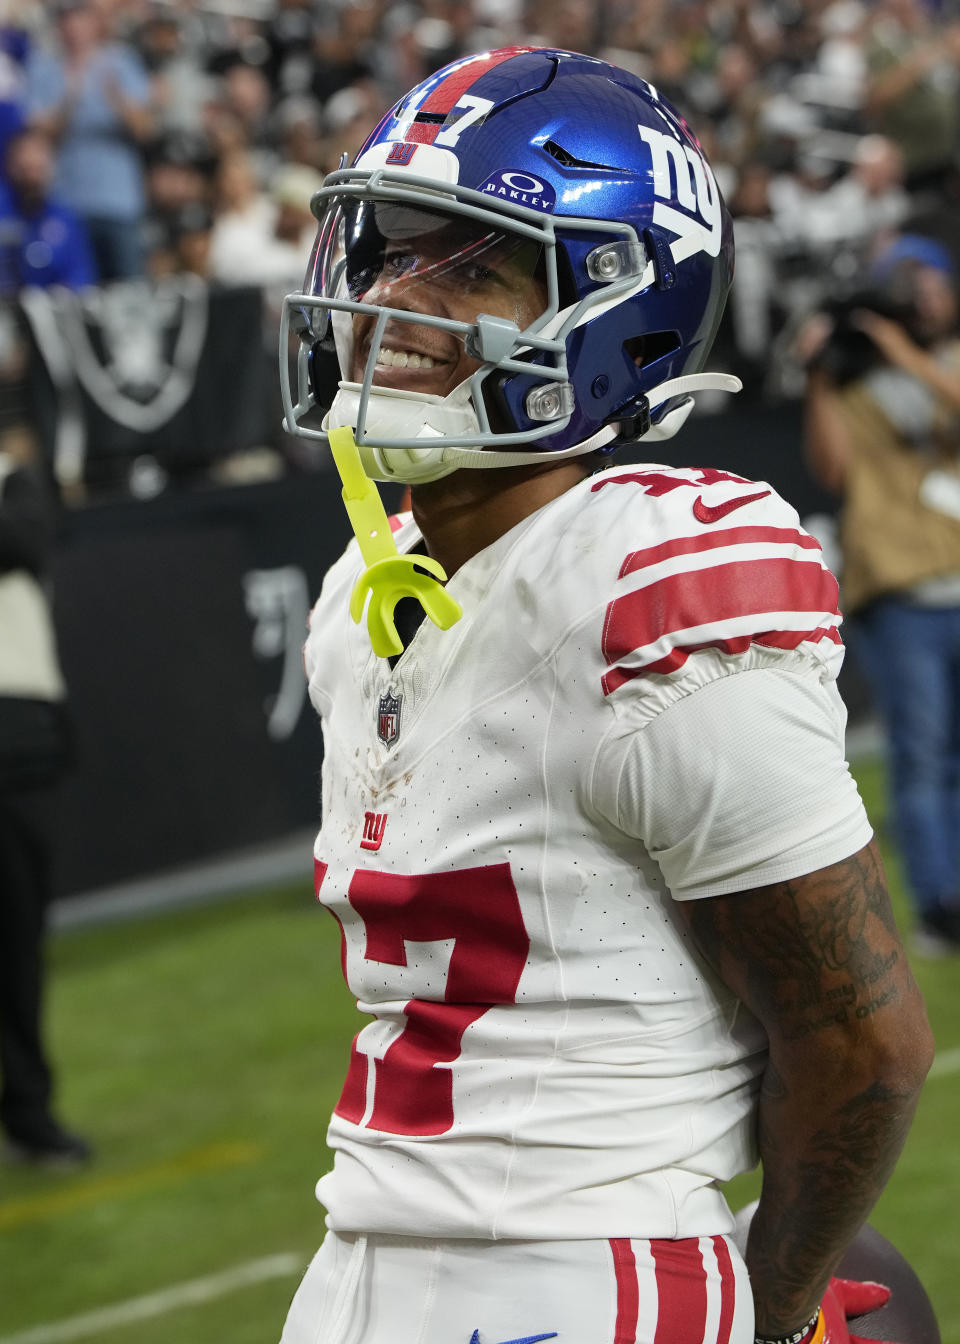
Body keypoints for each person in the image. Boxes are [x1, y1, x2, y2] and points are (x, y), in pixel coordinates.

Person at [278, 49, 934, 1344]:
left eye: (473, 264)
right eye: (393, 250)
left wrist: (770, 1308)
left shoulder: (651, 579)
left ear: (617, 309)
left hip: (579, 1271)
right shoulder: (369, 591)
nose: (397, 296)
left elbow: (863, 1048)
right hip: (361, 1256)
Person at [804, 234, 960, 955]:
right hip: (899, 596)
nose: (921, 300)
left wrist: (900, 350)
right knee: (921, 754)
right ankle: (938, 905)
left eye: (930, 285)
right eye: (907, 287)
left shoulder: (943, 365)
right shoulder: (856, 388)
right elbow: (832, 471)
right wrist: (818, 376)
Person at [0, 427, 90, 1166]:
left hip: (15, 735)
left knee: (16, 942)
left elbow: (24, 541)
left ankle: (28, 1109)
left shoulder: (13, 481)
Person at [23, 0, 154, 282]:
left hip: (118, 202)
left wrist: (117, 99)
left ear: (95, 23)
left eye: (80, 18)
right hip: (67, 200)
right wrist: (68, 101)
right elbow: (36, 135)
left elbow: (145, 130)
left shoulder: (121, 61)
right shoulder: (44, 66)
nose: (73, 27)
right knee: (78, 292)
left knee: (129, 288)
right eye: (66, 19)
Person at [0, 126, 97, 293]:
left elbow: (81, 274)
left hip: (52, 309)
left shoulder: (65, 218)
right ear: (10, 165)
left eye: (37, 170)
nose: (31, 179)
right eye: (25, 170)